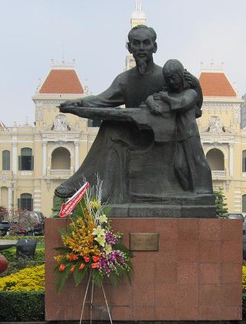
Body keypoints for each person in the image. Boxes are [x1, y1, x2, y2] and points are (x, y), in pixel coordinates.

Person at [55, 25, 202, 204]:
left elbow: (193, 103)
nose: (141, 48)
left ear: (154, 47)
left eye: (146, 43)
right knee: (111, 127)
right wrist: (78, 103)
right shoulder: (124, 80)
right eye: (136, 43)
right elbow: (102, 99)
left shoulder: (166, 76)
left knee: (114, 129)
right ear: (130, 47)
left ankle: (86, 183)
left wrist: (196, 85)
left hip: (163, 138)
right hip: (134, 134)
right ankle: (98, 188)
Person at [145, 59, 212, 194]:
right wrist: (150, 101)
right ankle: (189, 191)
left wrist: (165, 98)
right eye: (168, 79)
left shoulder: (191, 93)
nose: (170, 82)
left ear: (181, 76)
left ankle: (204, 190)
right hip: (176, 136)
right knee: (179, 166)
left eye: (173, 78)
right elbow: (152, 97)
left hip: (190, 134)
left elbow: (180, 104)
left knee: (199, 161)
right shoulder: (168, 93)